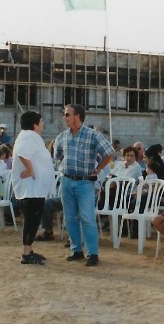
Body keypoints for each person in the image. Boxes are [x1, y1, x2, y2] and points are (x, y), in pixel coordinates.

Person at [55, 103, 114, 267]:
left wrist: (98, 169)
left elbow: (109, 152)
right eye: (65, 114)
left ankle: (93, 253)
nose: (64, 117)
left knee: (87, 218)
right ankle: (76, 250)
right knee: (69, 218)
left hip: (84, 182)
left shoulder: (92, 135)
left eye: (67, 114)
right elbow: (58, 154)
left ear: (77, 116)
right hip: (66, 180)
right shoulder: (62, 136)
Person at [12, 111, 55, 265]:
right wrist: (30, 170)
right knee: (32, 219)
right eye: (41, 121)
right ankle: (26, 253)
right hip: (31, 188)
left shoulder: (28, 136)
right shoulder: (29, 136)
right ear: (35, 124)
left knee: (33, 219)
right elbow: (23, 154)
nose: (43, 124)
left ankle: (29, 249)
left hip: (34, 188)